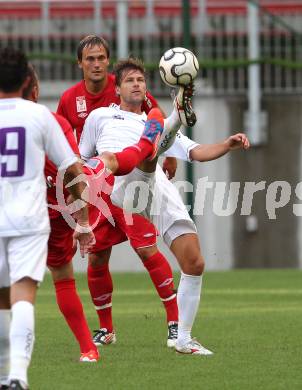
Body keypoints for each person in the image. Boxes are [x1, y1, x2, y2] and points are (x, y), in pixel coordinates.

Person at [79, 57, 250, 356]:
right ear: (117, 88)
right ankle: (174, 116)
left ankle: (183, 338)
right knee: (149, 148)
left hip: (157, 186)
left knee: (194, 262)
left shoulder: (149, 122)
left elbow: (196, 152)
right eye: (130, 80)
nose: (136, 84)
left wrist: (227, 144)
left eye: (140, 80)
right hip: (123, 184)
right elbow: (81, 160)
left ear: (146, 88)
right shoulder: (100, 117)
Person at [57, 35, 180, 347]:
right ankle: (106, 329)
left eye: (101, 58)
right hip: (97, 186)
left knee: (146, 249)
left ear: (108, 61)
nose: (96, 64)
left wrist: (172, 152)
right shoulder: (70, 99)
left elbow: (158, 122)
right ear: (80, 64)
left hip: (131, 181)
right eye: (90, 59)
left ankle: (176, 324)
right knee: (96, 257)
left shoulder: (128, 83)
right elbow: (67, 143)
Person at [0, 48, 95, 390]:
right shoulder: (42, 117)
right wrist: (83, 222)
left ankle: (2, 375)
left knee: (1, 298)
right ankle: (18, 377)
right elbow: (74, 170)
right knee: (23, 294)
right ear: (29, 81)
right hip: (29, 220)